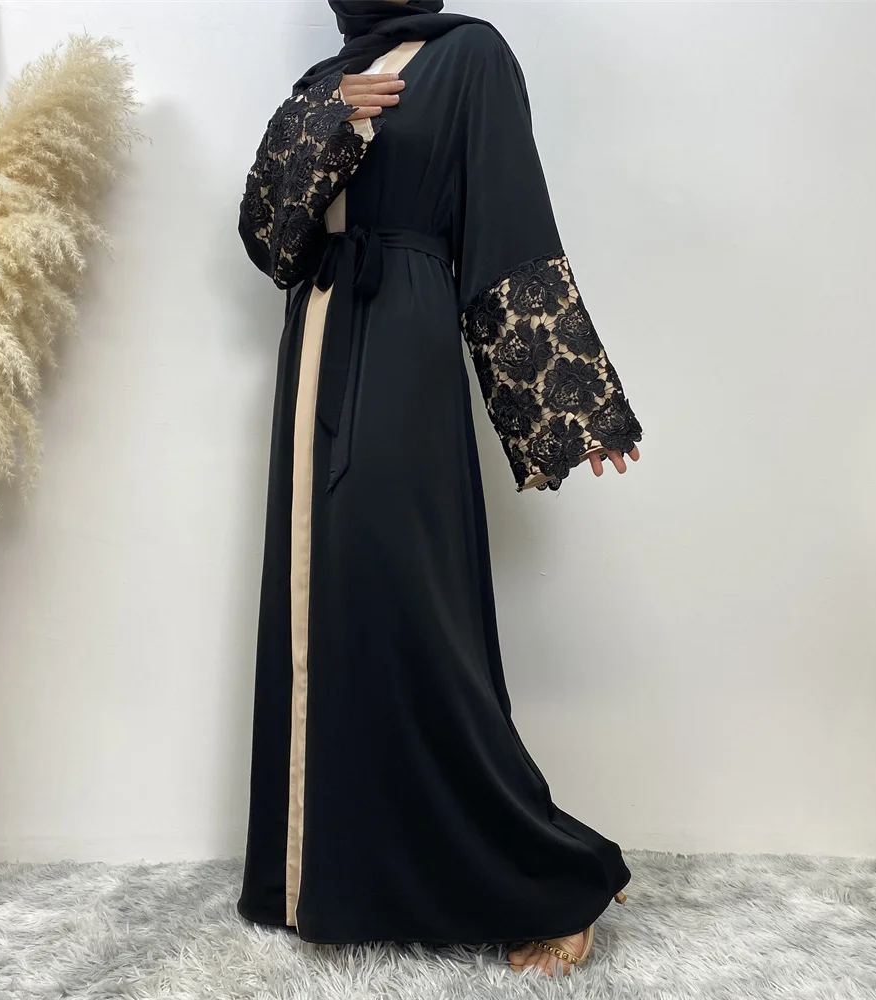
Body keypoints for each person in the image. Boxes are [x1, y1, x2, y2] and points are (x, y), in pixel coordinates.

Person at [235, 0, 643, 977]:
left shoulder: (468, 57)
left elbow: (509, 222)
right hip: (312, 359)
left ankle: (550, 875)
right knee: (329, 615)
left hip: (401, 349)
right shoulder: (321, 82)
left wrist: (567, 400)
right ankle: (333, 877)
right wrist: (324, 119)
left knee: (410, 609)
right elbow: (266, 239)